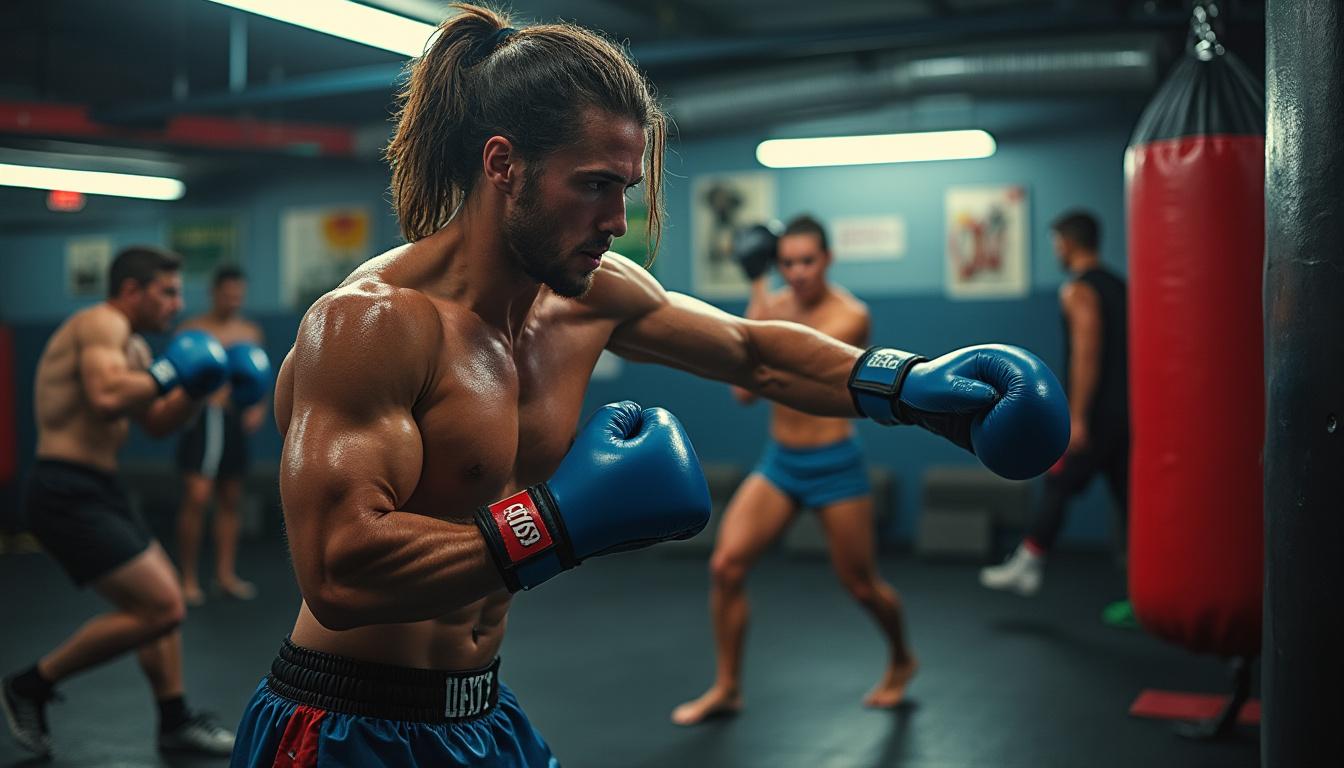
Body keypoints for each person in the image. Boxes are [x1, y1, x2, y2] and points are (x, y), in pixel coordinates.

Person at [229, 6, 1069, 766]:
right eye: (593, 185)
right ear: (504, 165)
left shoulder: (588, 298)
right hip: (343, 730)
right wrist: (557, 524)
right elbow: (337, 575)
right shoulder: (376, 324)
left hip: (481, 716)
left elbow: (751, 352)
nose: (616, 221)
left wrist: (905, 384)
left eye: (624, 189)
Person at [1, 246, 247, 757]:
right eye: (168, 292)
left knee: (157, 607)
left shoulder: (134, 348)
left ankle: (175, 720)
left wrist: (199, 387)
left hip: (101, 489)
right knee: (164, 605)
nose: (177, 304)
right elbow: (107, 396)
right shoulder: (100, 324)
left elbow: (156, 423)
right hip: (64, 488)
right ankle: (31, 684)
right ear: (132, 290)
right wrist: (174, 374)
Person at [672, 215, 916, 726]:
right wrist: (758, 282)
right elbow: (743, 391)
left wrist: (759, 315)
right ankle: (728, 687)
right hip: (781, 462)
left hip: (835, 464)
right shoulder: (772, 303)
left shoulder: (850, 316)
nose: (799, 272)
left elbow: (779, 364)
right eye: (787, 263)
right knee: (726, 567)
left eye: (807, 261)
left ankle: (901, 658)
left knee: (861, 584)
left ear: (827, 259)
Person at [980, 210, 1129, 598]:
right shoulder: (1121, 286)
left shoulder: (1078, 290)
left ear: (1065, 242)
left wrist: (1077, 418)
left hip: (1097, 417)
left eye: (1055, 243)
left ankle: (1028, 563)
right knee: (1129, 500)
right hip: (1128, 413)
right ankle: (1145, 591)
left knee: (1059, 482)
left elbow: (1087, 354)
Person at [174, 266, 268, 605]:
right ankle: (186, 579)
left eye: (238, 294)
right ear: (214, 293)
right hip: (200, 421)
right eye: (227, 293)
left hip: (233, 423)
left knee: (230, 498)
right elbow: (177, 378)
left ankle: (225, 576)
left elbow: (260, 378)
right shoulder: (192, 329)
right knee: (197, 498)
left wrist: (258, 406)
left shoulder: (250, 331)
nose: (233, 300)